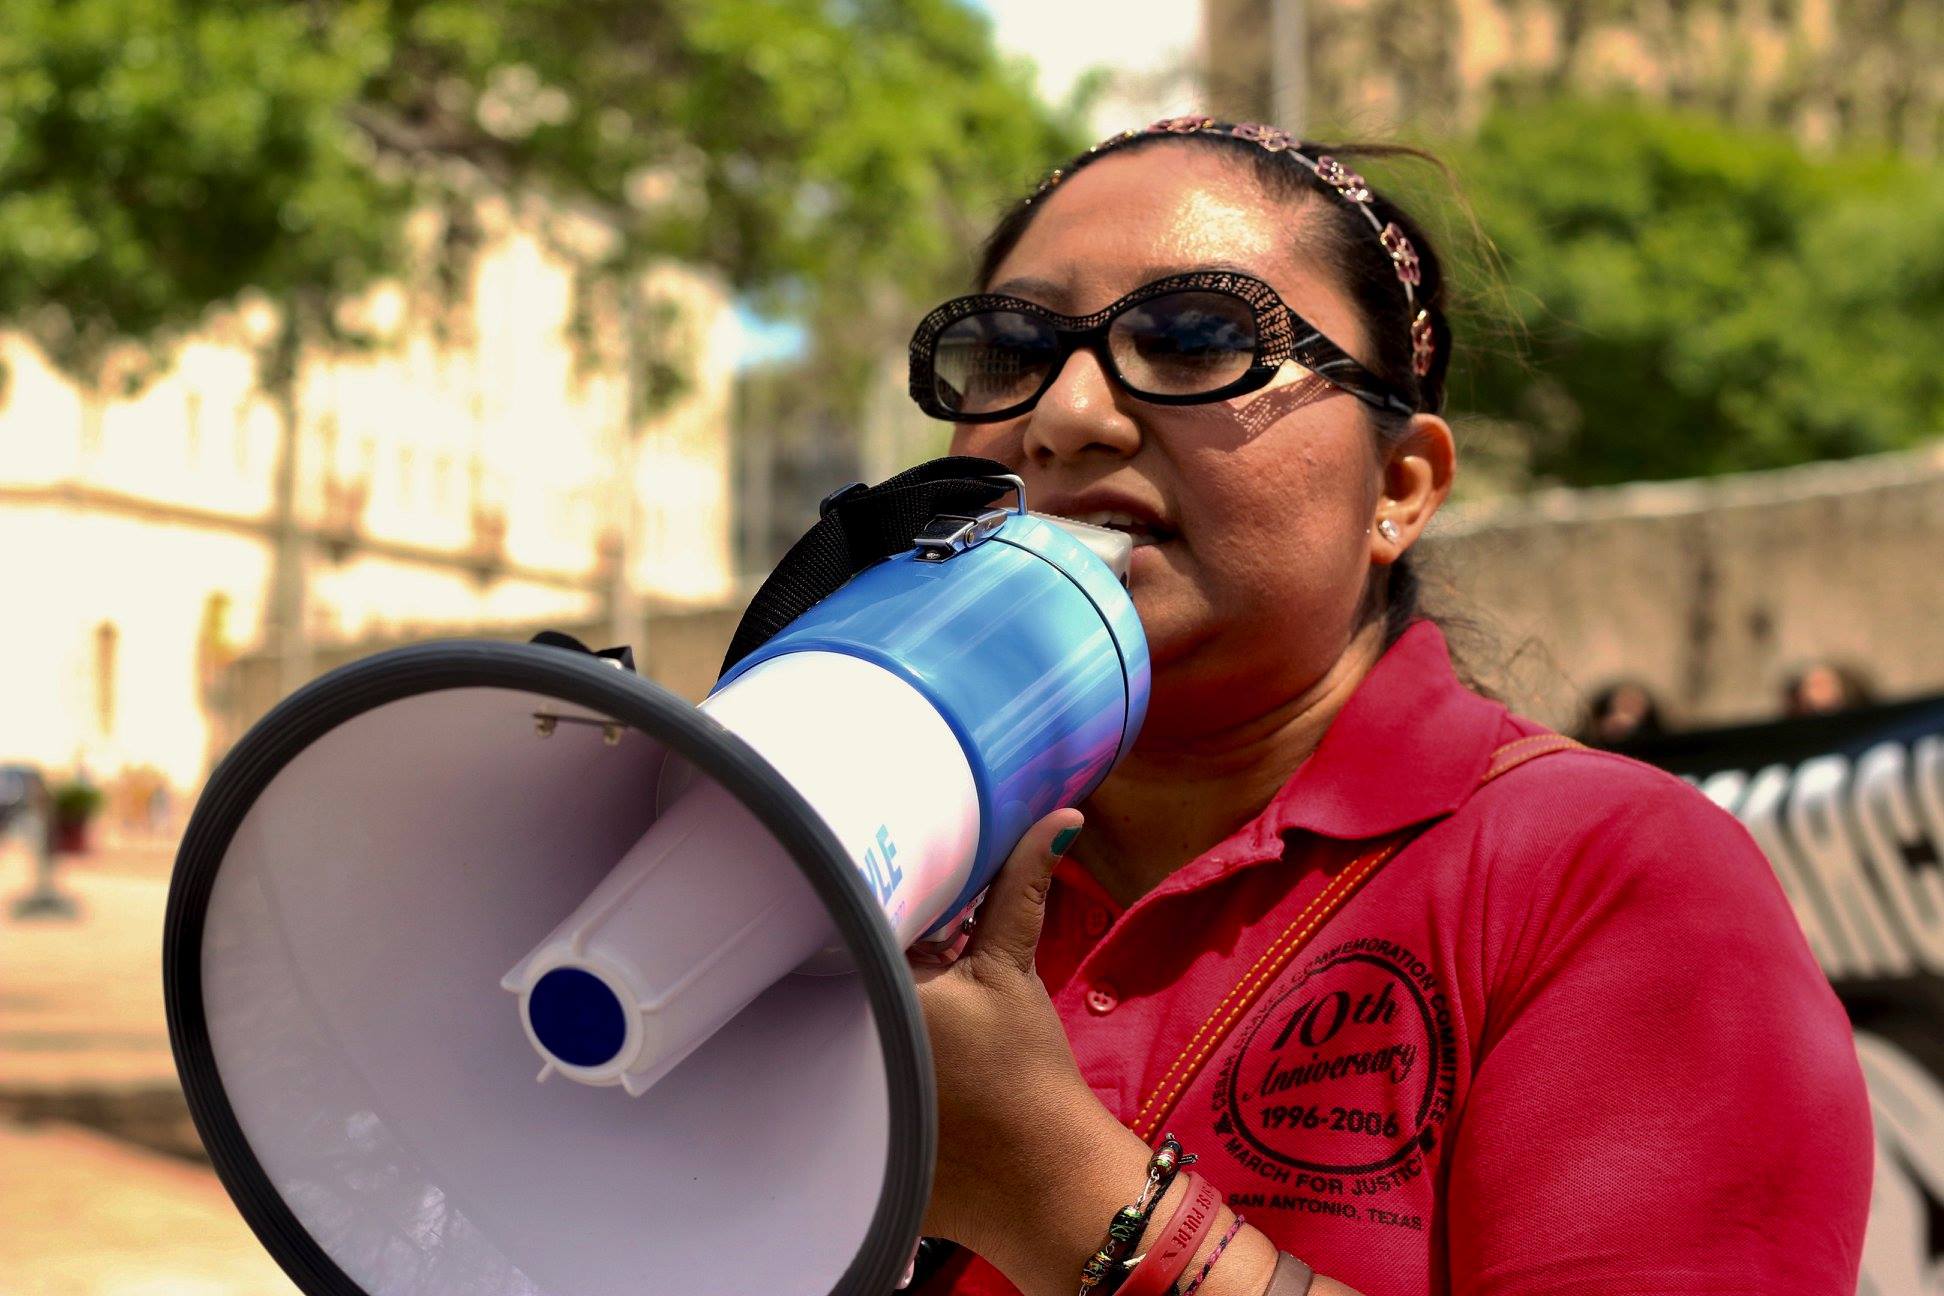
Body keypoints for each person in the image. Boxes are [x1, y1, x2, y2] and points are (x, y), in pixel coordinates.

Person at [900, 117, 1871, 1296]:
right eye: (1009, 350)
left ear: (1399, 488)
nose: (1066, 416)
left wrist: (1055, 1192)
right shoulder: (884, 851)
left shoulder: (1612, 873)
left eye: (1196, 338)